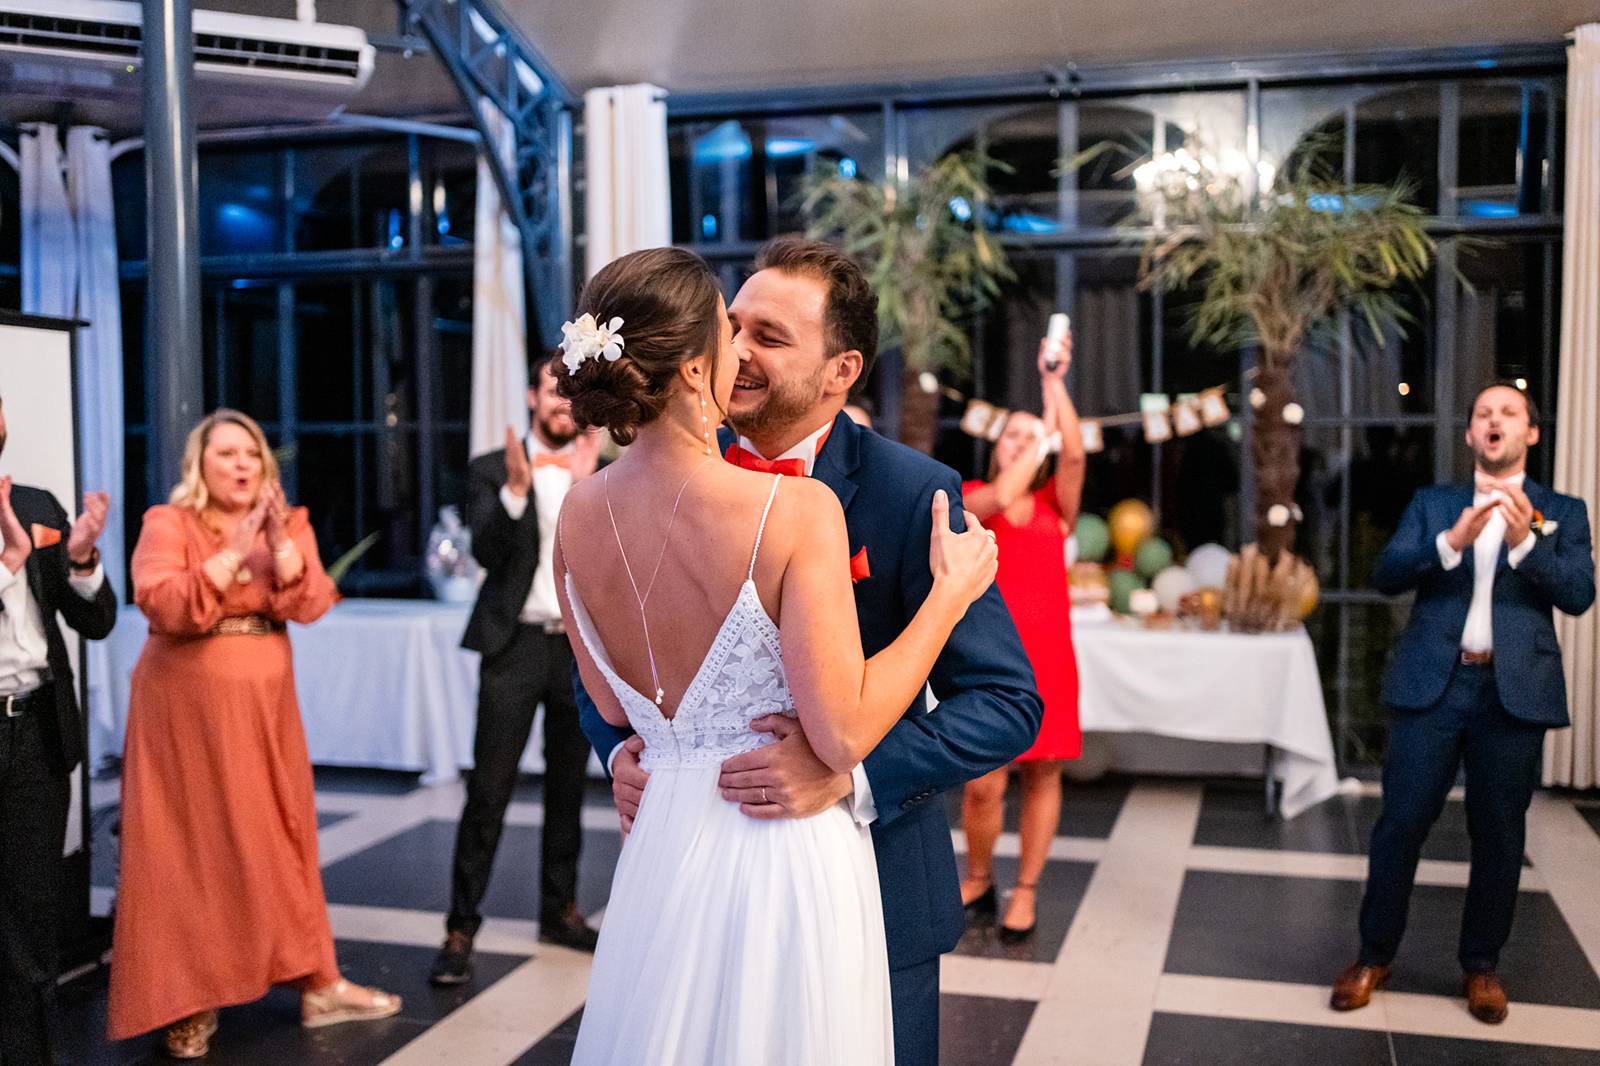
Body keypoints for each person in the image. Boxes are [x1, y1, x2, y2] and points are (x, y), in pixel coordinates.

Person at [579, 236, 1044, 1066]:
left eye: (770, 336)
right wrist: (626, 747)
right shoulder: (654, 476)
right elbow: (607, 660)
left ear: (842, 370)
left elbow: (1007, 702)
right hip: (691, 881)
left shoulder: (912, 492)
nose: (739, 352)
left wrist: (850, 773)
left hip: (875, 884)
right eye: (736, 327)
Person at [108, 410, 401, 1058]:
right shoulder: (170, 522)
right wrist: (236, 553)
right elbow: (157, 600)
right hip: (183, 715)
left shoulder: (286, 523)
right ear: (199, 467)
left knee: (280, 835)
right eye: (226, 454)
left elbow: (314, 600)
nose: (241, 464)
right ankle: (188, 999)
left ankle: (317, 983)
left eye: (251, 453)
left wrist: (279, 544)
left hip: (265, 712)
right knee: (188, 847)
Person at [1330, 382, 1594, 1025]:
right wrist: (1449, 541)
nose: (1494, 421)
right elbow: (1389, 573)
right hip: (1434, 687)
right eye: (1483, 414)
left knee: (1500, 836)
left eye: (1508, 413)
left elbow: (1580, 593)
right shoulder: (1433, 502)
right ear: (1472, 434)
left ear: (1531, 433)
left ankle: (1481, 968)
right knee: (1400, 826)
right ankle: (1373, 955)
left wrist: (1525, 544)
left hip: (1514, 694)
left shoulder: (1563, 509)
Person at [430, 352, 603, 986]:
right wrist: (515, 492)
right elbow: (486, 551)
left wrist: (588, 491)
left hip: (577, 650)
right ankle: (459, 926)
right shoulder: (488, 470)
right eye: (552, 392)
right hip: (515, 645)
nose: (562, 403)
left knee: (568, 792)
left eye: (572, 395)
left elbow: (612, 567)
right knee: (490, 791)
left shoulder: (602, 472)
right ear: (532, 398)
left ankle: (559, 910)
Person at [0, 391, 117, 1066]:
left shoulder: (37, 505)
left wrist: (78, 560)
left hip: (38, 736)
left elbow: (97, 621)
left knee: (31, 927)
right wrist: (9, 562)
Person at [958, 329, 1086, 943]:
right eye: (1013, 433)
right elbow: (1006, 491)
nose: (1022, 441)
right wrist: (1042, 438)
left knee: (1044, 774)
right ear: (996, 445)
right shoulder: (969, 497)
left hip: (1050, 661)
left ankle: (1026, 889)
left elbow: (1078, 457)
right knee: (984, 780)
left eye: (1032, 436)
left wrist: (1054, 385)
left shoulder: (1055, 505)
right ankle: (978, 876)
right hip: (984, 662)